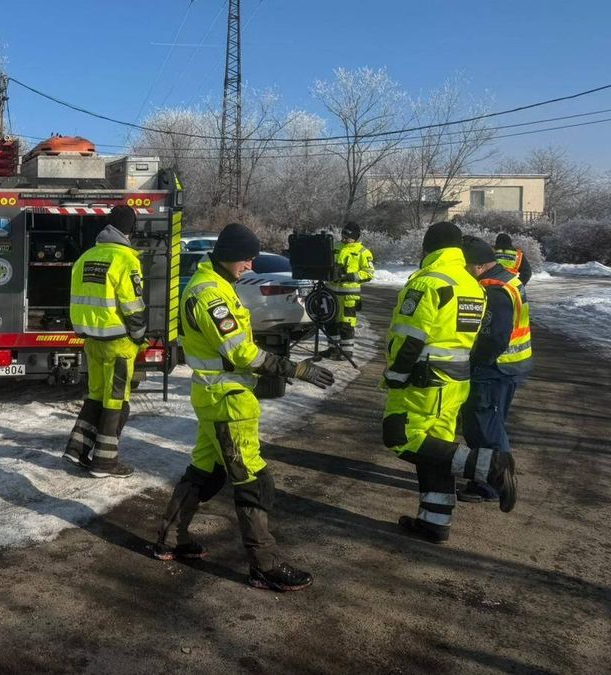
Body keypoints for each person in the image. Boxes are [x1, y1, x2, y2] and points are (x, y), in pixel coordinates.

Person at [152, 223, 334, 591]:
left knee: (205, 470)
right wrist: (295, 368)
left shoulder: (216, 285)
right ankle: (264, 566)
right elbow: (240, 352)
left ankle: (170, 540)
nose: (251, 266)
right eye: (247, 259)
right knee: (253, 479)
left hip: (217, 396)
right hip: (228, 401)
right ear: (228, 256)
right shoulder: (210, 295)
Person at [382, 222, 516, 545]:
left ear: (428, 248)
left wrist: (395, 376)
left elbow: (409, 338)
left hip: (423, 383)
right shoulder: (472, 285)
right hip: (456, 383)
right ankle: (434, 523)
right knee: (436, 450)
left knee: (400, 436)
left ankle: (490, 466)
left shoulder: (429, 282)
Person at [62, 205, 148, 478]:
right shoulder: (126, 260)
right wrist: (138, 336)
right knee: (116, 399)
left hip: (91, 340)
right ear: (130, 230)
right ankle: (104, 463)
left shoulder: (87, 257)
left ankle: (76, 449)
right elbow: (133, 306)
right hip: (118, 342)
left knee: (97, 394)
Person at [457, 237, 533, 502]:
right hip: (510, 366)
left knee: (484, 425)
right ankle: (491, 477)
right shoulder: (509, 279)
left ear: (477, 266)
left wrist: (476, 360)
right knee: (492, 422)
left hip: (494, 369)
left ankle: (491, 483)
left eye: (465, 267)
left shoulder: (493, 289)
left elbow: (495, 336)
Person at [323, 221, 375, 361]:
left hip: (349, 295)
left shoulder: (363, 252)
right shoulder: (335, 247)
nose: (344, 239)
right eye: (343, 235)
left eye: (348, 236)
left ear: (356, 237)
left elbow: (369, 273)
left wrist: (349, 276)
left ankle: (346, 352)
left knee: (346, 323)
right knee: (330, 321)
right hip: (331, 292)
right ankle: (333, 348)